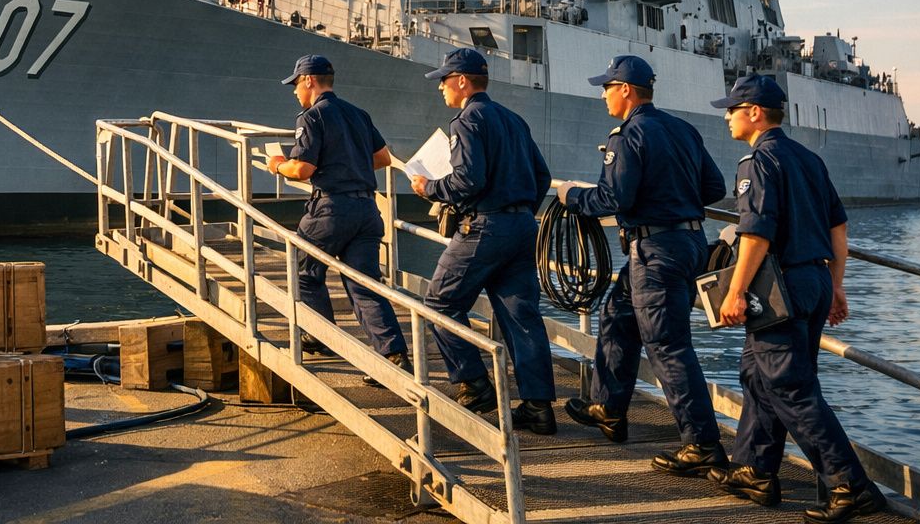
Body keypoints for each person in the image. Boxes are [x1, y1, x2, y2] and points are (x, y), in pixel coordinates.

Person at [706, 75, 886, 522]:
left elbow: (756, 234)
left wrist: (735, 291)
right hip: (815, 281)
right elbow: (838, 229)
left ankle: (850, 485)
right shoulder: (809, 159)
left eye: (732, 109)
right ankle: (754, 469)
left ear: (754, 113)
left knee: (791, 386)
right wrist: (838, 286)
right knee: (758, 373)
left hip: (779, 287)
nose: (726, 117)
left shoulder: (759, 163)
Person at [555, 54, 727, 476]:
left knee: (667, 346)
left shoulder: (627, 135)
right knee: (617, 315)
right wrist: (672, 203)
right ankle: (608, 408)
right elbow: (715, 187)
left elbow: (614, 200)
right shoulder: (683, 129)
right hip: (686, 243)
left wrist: (570, 197)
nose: (603, 95)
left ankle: (702, 443)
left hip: (655, 252)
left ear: (626, 90)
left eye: (607, 87)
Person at [409, 48, 557, 434]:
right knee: (521, 316)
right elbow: (542, 177)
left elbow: (467, 180)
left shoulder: (468, 120)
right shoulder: (513, 120)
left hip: (485, 227)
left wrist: (430, 188)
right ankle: (538, 406)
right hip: (523, 226)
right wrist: (520, 209)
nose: (440, 86)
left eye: (444, 78)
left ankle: (474, 384)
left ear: (462, 81)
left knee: (439, 302)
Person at [267, 55, 411, 373]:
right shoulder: (358, 113)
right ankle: (395, 355)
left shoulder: (311, 117)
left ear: (309, 80)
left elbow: (303, 169)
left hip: (331, 208)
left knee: (302, 268)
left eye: (295, 84)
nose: (294, 92)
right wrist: (348, 164)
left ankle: (318, 335)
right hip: (366, 210)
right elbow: (383, 158)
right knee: (363, 283)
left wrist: (277, 164)